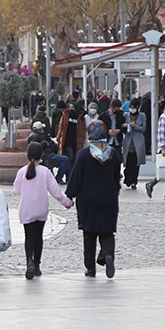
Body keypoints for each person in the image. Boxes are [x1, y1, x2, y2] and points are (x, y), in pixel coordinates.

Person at [65, 120, 121, 279]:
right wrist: (116, 189)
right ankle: (107, 254)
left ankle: (90, 268)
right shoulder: (113, 154)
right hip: (108, 198)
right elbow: (116, 176)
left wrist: (70, 195)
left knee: (89, 234)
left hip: (88, 199)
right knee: (107, 231)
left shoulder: (83, 154)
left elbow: (76, 177)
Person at [13, 142, 73, 279]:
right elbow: (56, 192)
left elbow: (16, 190)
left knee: (29, 237)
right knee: (38, 236)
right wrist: (67, 203)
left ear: (27, 155)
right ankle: (37, 265)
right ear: (41, 155)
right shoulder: (45, 172)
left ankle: (29, 262)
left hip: (27, 209)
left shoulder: (22, 172)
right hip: (41, 209)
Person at [122, 98, 146, 189]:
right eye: (130, 107)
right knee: (128, 162)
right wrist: (124, 126)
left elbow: (143, 128)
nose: (132, 109)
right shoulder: (126, 115)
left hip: (138, 142)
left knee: (136, 163)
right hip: (129, 141)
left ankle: (134, 181)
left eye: (133, 107)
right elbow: (122, 126)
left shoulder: (142, 116)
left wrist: (135, 126)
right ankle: (127, 178)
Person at [99, 98, 126, 163]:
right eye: (116, 108)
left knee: (117, 160)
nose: (118, 110)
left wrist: (119, 130)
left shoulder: (120, 116)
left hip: (117, 142)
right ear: (112, 107)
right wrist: (107, 131)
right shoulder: (103, 116)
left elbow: (124, 126)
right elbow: (99, 128)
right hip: (107, 142)